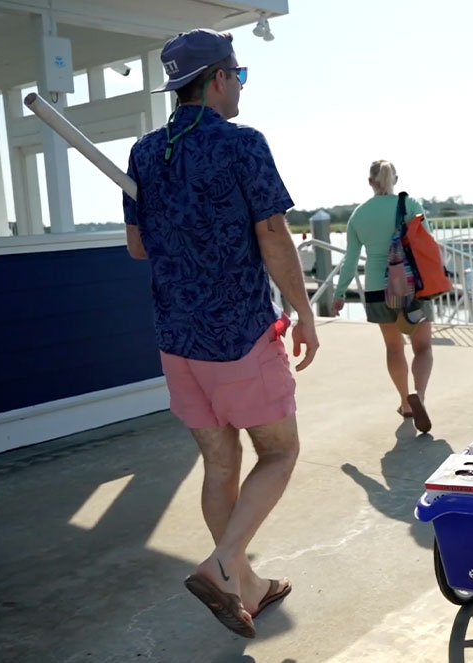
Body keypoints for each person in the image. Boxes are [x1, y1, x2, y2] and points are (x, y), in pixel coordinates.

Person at [122, 29, 318, 639]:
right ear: (218, 78)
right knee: (279, 451)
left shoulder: (144, 154)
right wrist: (304, 311)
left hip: (176, 340)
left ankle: (244, 584)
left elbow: (138, 247)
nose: (241, 88)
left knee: (219, 462)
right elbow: (274, 236)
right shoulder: (242, 144)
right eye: (240, 76)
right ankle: (224, 564)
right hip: (237, 335)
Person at [330, 160, 435, 433]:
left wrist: (340, 293)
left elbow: (350, 259)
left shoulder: (359, 215)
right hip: (413, 285)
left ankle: (406, 402)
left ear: (370, 182)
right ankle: (419, 396)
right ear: (395, 179)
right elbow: (428, 243)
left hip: (378, 289)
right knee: (422, 347)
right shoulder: (410, 204)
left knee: (394, 348)